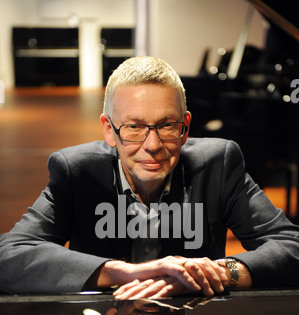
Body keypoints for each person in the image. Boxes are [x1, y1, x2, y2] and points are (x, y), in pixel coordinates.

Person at [0, 56, 298, 298]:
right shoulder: (76, 171)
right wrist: (124, 271)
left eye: (167, 125)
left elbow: (291, 246)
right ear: (108, 129)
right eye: (133, 127)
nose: (153, 145)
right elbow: (9, 256)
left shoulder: (219, 164)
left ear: (186, 125)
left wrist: (216, 274)